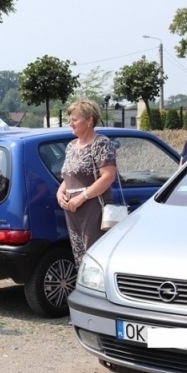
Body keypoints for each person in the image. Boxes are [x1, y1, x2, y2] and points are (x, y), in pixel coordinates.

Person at [56, 100, 117, 267]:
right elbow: (68, 175)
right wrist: (60, 193)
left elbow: (108, 176)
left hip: (93, 208)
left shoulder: (101, 143)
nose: (71, 123)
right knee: (79, 257)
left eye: (75, 119)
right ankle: (83, 289)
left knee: (94, 257)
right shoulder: (70, 146)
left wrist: (82, 197)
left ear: (89, 121)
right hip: (72, 210)